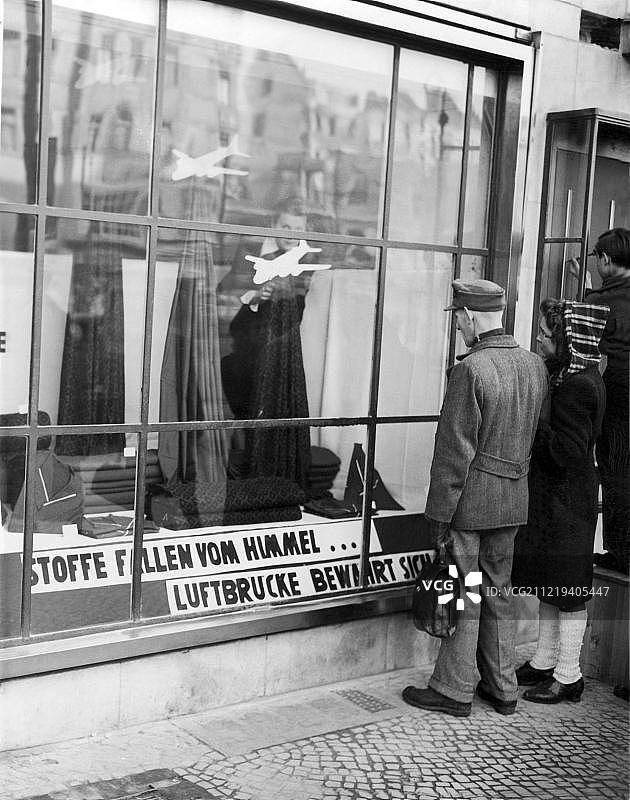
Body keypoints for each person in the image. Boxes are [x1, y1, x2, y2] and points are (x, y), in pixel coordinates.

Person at [402, 279, 548, 718]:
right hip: (513, 498)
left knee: (466, 592)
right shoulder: (534, 365)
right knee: (498, 591)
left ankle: (453, 689)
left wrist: (438, 515)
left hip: (471, 503)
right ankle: (503, 688)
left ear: (468, 316)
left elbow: (453, 454)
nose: (458, 328)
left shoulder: (471, 370)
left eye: (458, 319)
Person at [512, 298, 608, 703]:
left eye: (547, 333)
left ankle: (569, 673)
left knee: (567, 589)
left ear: (568, 341)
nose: (538, 336)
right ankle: (545, 660)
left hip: (567, 502)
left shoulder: (578, 388)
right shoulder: (575, 376)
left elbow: (568, 451)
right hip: (562, 500)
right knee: (553, 582)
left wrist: (535, 429)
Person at [585, 228, 630, 576]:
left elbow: (580, 334)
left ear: (604, 259)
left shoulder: (600, 304)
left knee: (616, 474)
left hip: (616, 403)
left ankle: (622, 553)